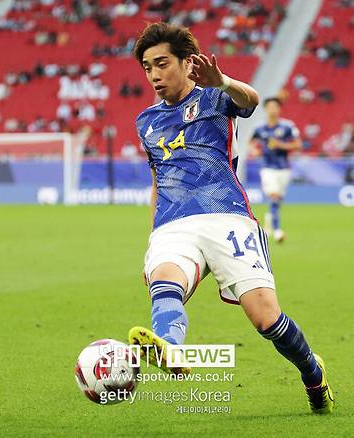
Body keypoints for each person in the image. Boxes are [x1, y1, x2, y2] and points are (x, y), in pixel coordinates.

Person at [128, 22, 333, 415]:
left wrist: (221, 80)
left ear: (188, 63)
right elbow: (157, 179)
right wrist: (153, 238)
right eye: (147, 67)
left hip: (227, 218)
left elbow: (251, 100)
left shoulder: (215, 98)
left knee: (265, 319)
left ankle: (312, 370)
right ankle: (170, 347)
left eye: (161, 63)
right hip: (173, 224)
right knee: (165, 281)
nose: (154, 74)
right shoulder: (145, 122)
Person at [249, 97, 301, 242]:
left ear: (279, 109)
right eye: (269, 107)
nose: (272, 109)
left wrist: (281, 145)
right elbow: (251, 143)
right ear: (265, 109)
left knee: (277, 199)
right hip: (267, 167)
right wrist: (254, 151)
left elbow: (297, 144)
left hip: (284, 168)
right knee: (273, 196)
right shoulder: (259, 128)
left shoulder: (287, 126)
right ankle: (277, 230)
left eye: (275, 106)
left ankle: (269, 219)